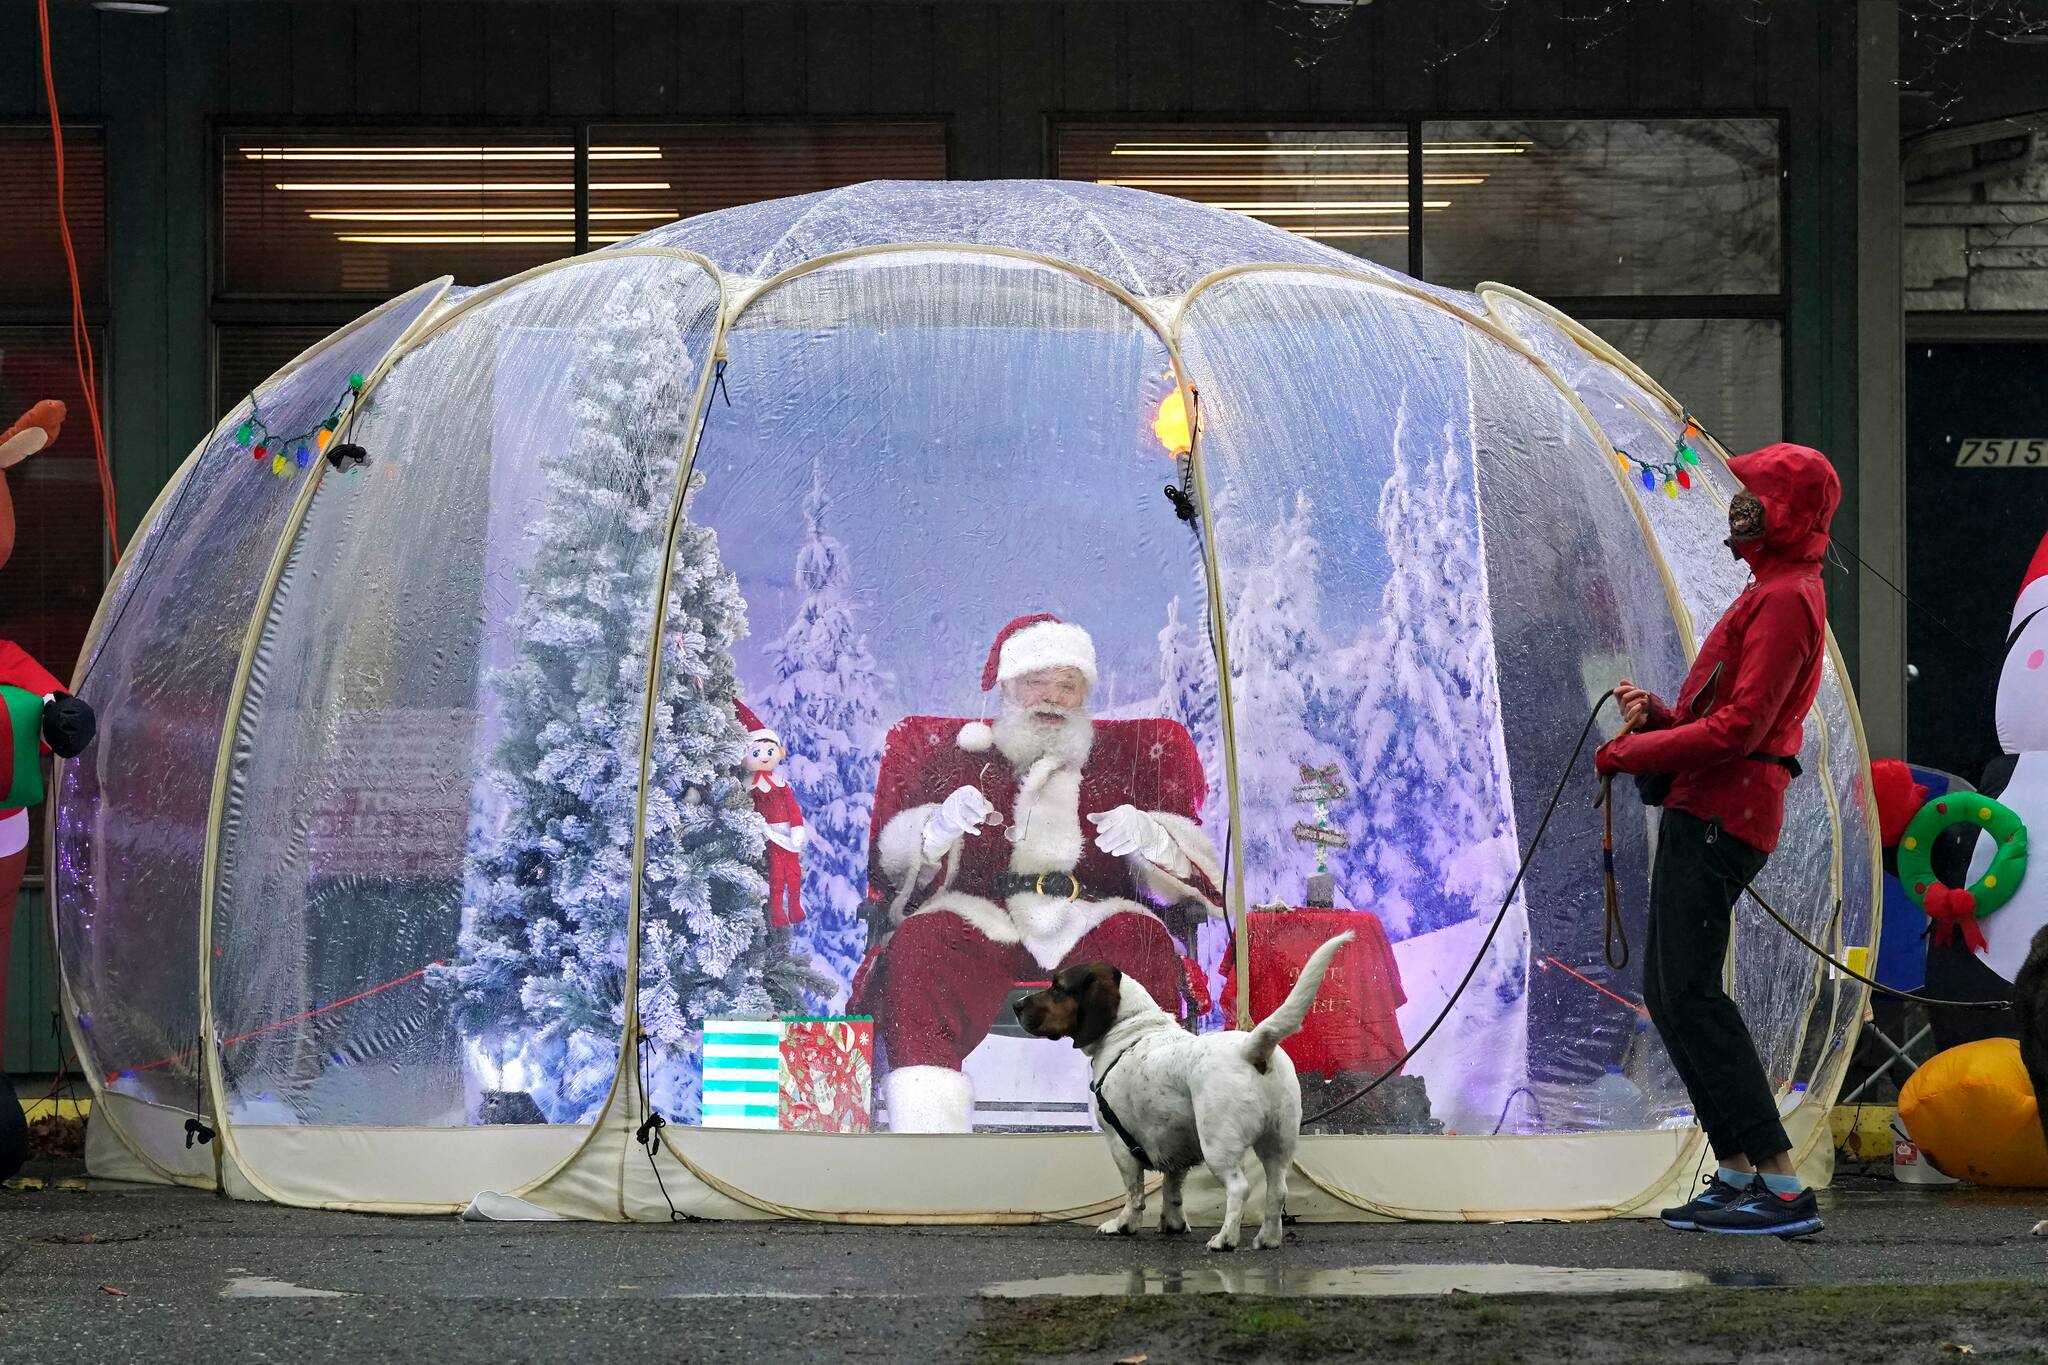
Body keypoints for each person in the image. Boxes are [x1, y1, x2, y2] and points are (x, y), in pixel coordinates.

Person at [1594, 442, 1840, 1238]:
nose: (1740, 504)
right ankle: (1738, 1171)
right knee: (1672, 992)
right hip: (1711, 806)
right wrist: (1664, 719)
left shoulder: (1785, 597)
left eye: (1757, 492)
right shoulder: (1775, 590)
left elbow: (1741, 730)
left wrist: (1632, 750)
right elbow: (1729, 718)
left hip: (1723, 814)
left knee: (1691, 993)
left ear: (1786, 510)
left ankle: (1780, 1183)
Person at [850, 614, 1223, 1133]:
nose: (1050, 698)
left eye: (1065, 685)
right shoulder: (959, 761)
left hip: (1089, 918)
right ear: (1007, 688)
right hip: (983, 918)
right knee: (920, 945)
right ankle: (927, 1132)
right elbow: (893, 880)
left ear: (1083, 694)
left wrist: (1154, 838)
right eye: (1035, 683)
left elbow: (1192, 885)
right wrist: (934, 833)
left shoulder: (1124, 764)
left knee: (1141, 940)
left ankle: (1145, 1127)